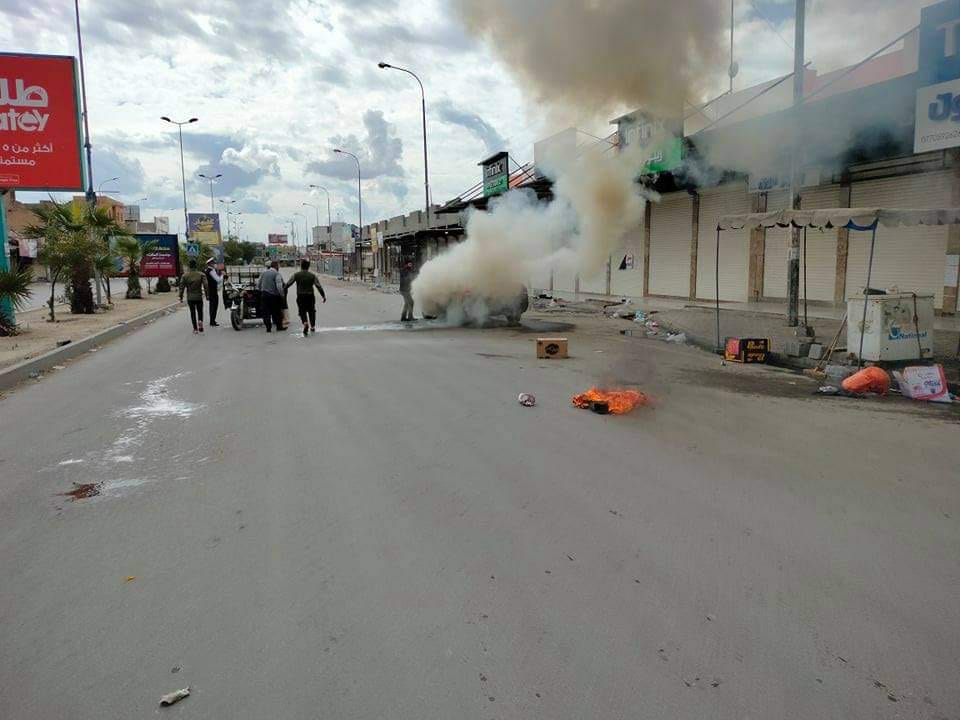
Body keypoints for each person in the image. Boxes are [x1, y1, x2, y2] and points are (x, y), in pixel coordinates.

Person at [283, 259, 326, 335]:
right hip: (310, 296)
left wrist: (284, 290)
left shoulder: (296, 275)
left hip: (300, 296)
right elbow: (318, 286)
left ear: (301, 266)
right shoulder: (312, 276)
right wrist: (323, 296)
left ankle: (305, 322)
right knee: (311, 311)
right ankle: (312, 326)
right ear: (308, 267)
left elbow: (289, 283)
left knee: (302, 311)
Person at [179, 259, 207, 334]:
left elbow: (181, 287)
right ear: (196, 265)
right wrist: (207, 295)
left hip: (190, 297)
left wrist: (180, 297)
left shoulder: (185, 275)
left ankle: (195, 329)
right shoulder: (201, 274)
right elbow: (206, 285)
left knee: (192, 312)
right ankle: (200, 321)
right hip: (199, 296)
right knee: (200, 311)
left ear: (189, 266)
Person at [257, 260, 286, 332]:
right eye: (278, 266)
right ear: (276, 266)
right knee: (277, 312)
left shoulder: (263, 273)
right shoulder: (276, 274)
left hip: (264, 295)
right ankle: (279, 327)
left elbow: (258, 284)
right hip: (274, 296)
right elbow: (279, 286)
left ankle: (268, 327)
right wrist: (282, 295)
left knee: (266, 312)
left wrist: (261, 291)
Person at [203, 257, 222, 326]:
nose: (215, 264)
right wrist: (222, 275)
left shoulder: (208, 270)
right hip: (212, 291)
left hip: (211, 291)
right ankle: (212, 321)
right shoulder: (210, 271)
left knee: (212, 306)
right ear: (210, 264)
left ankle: (212, 320)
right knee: (214, 306)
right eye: (213, 263)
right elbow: (218, 280)